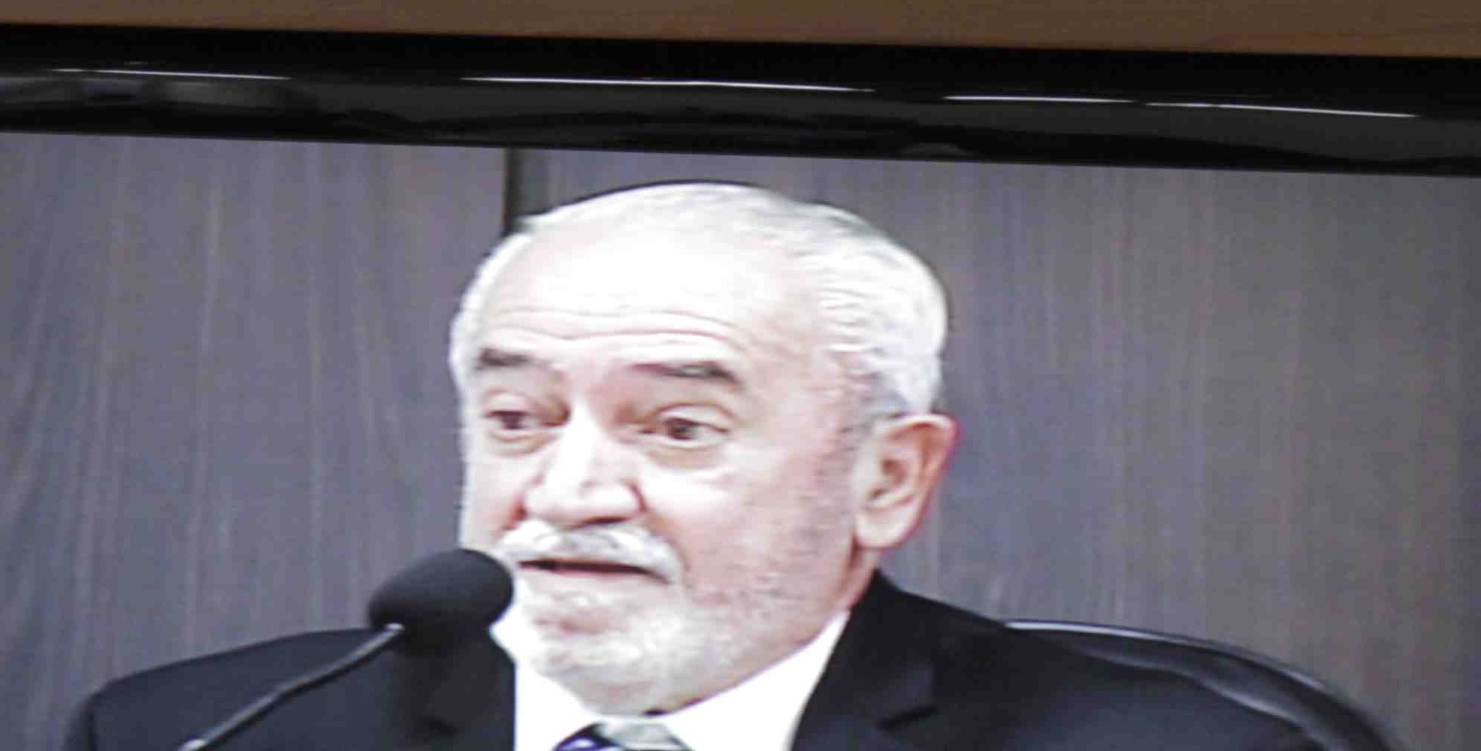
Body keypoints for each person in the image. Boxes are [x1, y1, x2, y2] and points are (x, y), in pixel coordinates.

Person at [72, 184, 1318, 749]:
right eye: (516, 417)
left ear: (886, 478)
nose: (566, 492)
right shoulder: (193, 736)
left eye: (675, 428)